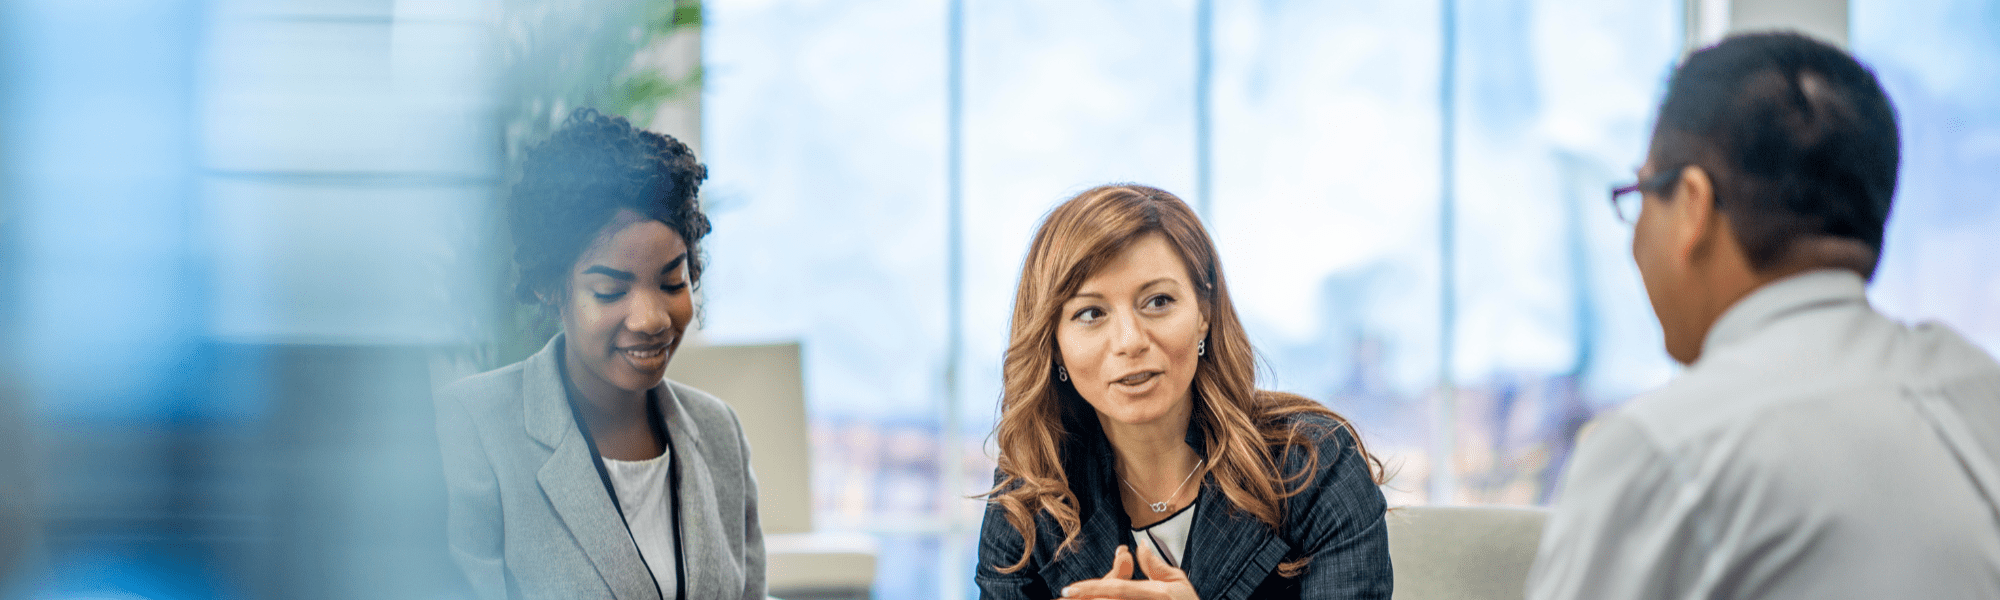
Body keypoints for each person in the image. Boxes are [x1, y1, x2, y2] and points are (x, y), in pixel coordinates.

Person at [1528, 32, 2000, 600]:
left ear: (1693, 207)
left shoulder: (1661, 453)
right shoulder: (1978, 393)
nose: (1634, 239)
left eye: (1640, 192)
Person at [976, 185, 1391, 600]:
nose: (1130, 341)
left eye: (1158, 301)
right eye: (1090, 313)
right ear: (1054, 345)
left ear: (1203, 315)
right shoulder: (1029, 493)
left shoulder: (1313, 463)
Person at [434, 108, 764, 600]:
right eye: (611, 291)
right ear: (551, 285)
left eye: (673, 281)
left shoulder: (719, 433)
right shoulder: (473, 427)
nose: (652, 319)